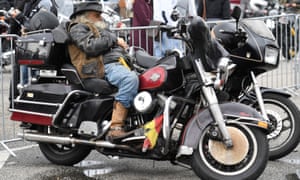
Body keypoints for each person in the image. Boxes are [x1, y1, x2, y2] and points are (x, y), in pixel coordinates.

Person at [67, 1, 139, 140]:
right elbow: (90, 46)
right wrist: (114, 39)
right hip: (99, 66)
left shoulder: (97, 27)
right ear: (85, 16)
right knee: (129, 79)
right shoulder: (78, 27)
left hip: (115, 62)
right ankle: (116, 127)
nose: (101, 18)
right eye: (97, 15)